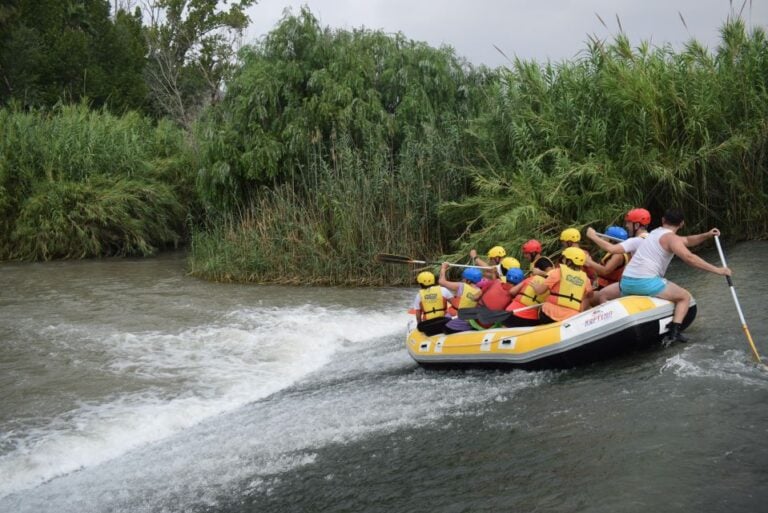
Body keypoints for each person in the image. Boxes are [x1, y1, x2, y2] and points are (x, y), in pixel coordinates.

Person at [606, 208, 730, 343]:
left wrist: (706, 235)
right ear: (681, 224)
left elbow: (687, 240)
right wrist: (718, 270)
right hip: (644, 283)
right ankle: (674, 333)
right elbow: (689, 258)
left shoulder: (655, 232)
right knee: (684, 297)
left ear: (663, 220)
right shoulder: (672, 239)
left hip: (625, 282)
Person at [586, 208, 653, 304]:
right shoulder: (651, 238)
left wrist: (589, 261)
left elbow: (605, 270)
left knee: (588, 297)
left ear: (637, 225)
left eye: (629, 223)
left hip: (614, 285)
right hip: (639, 280)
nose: (627, 225)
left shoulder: (621, 252)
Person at [532, 246, 594, 323]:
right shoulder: (586, 279)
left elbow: (540, 291)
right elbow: (589, 296)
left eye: (564, 258)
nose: (562, 260)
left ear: (569, 261)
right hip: (572, 317)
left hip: (549, 313)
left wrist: (535, 286)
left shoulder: (557, 272)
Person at [502, 257, 554, 327]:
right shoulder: (552, 287)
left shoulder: (531, 279)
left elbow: (512, 291)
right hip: (531, 319)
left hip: (512, 312)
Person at [439, 263, 483, 333]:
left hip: (458, 319)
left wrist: (443, 268)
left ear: (468, 280)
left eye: (464, 278)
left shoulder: (461, 286)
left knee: (442, 327)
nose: (462, 279)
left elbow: (441, 282)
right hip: (470, 321)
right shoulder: (480, 291)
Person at [408, 271, 454, 335]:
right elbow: (455, 304)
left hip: (429, 324)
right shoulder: (443, 290)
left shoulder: (419, 295)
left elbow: (418, 314)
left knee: (420, 326)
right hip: (444, 322)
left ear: (420, 283)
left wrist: (419, 324)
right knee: (449, 316)